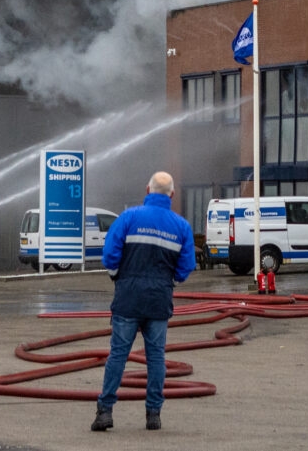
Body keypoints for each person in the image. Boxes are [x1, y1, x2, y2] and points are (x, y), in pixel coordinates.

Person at [92, 171, 194, 433]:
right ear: (172, 194)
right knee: (156, 358)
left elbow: (110, 255)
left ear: (147, 189)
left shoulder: (128, 217)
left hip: (128, 297)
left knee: (118, 355)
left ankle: (105, 412)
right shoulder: (181, 226)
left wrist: (117, 275)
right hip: (159, 300)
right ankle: (153, 415)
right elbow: (185, 270)